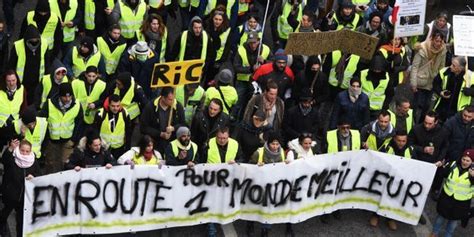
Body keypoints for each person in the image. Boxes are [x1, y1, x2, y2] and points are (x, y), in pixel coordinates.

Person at [40, 83, 84, 174]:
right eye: (64, 97)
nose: (67, 99)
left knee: (66, 165)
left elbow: (79, 124)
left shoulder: (77, 105)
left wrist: (74, 140)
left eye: (69, 96)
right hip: (52, 141)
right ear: (59, 96)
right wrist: (46, 139)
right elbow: (42, 122)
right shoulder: (49, 104)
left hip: (68, 141)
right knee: (51, 165)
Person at [0, 139, 41, 237]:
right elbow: (4, 160)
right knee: (4, 214)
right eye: (22, 150)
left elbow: (39, 173)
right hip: (10, 194)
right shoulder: (13, 157)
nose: (24, 153)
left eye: (27, 151)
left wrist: (33, 177)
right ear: (19, 149)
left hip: (24, 196)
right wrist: (10, 148)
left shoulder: (33, 160)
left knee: (21, 220)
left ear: (30, 151)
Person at [430, 149, 474, 237]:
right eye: (463, 159)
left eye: (467, 161)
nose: (464, 162)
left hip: (461, 203)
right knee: (440, 218)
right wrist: (441, 167)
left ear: (472, 162)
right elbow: (443, 174)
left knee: (452, 223)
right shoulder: (453, 165)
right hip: (447, 197)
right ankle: (434, 234)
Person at [408, 111, 448, 205]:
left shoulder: (443, 132)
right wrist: (423, 149)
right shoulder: (416, 129)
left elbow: (445, 146)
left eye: (430, 123)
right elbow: (409, 144)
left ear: (436, 122)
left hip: (435, 164)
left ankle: (434, 190)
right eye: (425, 122)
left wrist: (440, 159)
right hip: (419, 161)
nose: (426, 125)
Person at [410, 30, 447, 123]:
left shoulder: (443, 50)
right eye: (436, 40)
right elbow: (415, 67)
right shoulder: (422, 48)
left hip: (432, 81)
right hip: (420, 81)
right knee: (416, 104)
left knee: (427, 106)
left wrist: (440, 82)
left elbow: (442, 67)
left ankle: (422, 123)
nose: (438, 43)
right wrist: (413, 83)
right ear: (432, 39)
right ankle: (413, 122)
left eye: (440, 41)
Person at [233, 31, 271, 120]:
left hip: (257, 82)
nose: (252, 45)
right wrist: (250, 69)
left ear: (258, 41)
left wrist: (264, 62)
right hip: (243, 81)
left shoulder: (265, 49)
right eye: (250, 42)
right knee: (238, 102)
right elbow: (236, 67)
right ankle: (233, 118)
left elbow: (273, 63)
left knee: (253, 103)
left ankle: (248, 119)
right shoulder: (241, 50)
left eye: (254, 42)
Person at [9, 25, 50, 105]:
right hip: (22, 82)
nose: (34, 43)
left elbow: (47, 63)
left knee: (33, 102)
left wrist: (46, 78)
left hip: (38, 81)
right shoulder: (17, 46)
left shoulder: (44, 44)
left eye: (36, 41)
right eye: (32, 41)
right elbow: (11, 65)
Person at [140, 87, 185, 154]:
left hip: (172, 143)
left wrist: (173, 128)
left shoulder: (178, 106)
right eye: (170, 99)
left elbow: (183, 124)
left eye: (174, 98)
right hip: (155, 144)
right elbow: (143, 128)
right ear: (163, 98)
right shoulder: (150, 107)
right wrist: (160, 134)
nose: (173, 101)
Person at [433, 56, 473, 121]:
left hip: (459, 111)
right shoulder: (444, 71)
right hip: (442, 107)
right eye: (451, 64)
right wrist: (440, 92)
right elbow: (435, 84)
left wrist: (471, 91)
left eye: (454, 65)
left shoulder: (470, 76)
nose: (450, 66)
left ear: (461, 68)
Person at [95, 94, 132, 159]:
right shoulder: (100, 113)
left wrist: (127, 148)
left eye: (118, 106)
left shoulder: (125, 113)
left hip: (119, 148)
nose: (115, 108)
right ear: (109, 104)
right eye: (113, 106)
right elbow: (95, 131)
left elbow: (128, 131)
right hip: (104, 148)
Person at [205, 6, 233, 83]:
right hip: (205, 56)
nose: (217, 22)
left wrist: (221, 61)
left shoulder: (227, 30)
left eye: (220, 20)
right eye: (216, 19)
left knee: (209, 79)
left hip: (217, 59)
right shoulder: (207, 27)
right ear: (212, 19)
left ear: (223, 20)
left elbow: (227, 46)